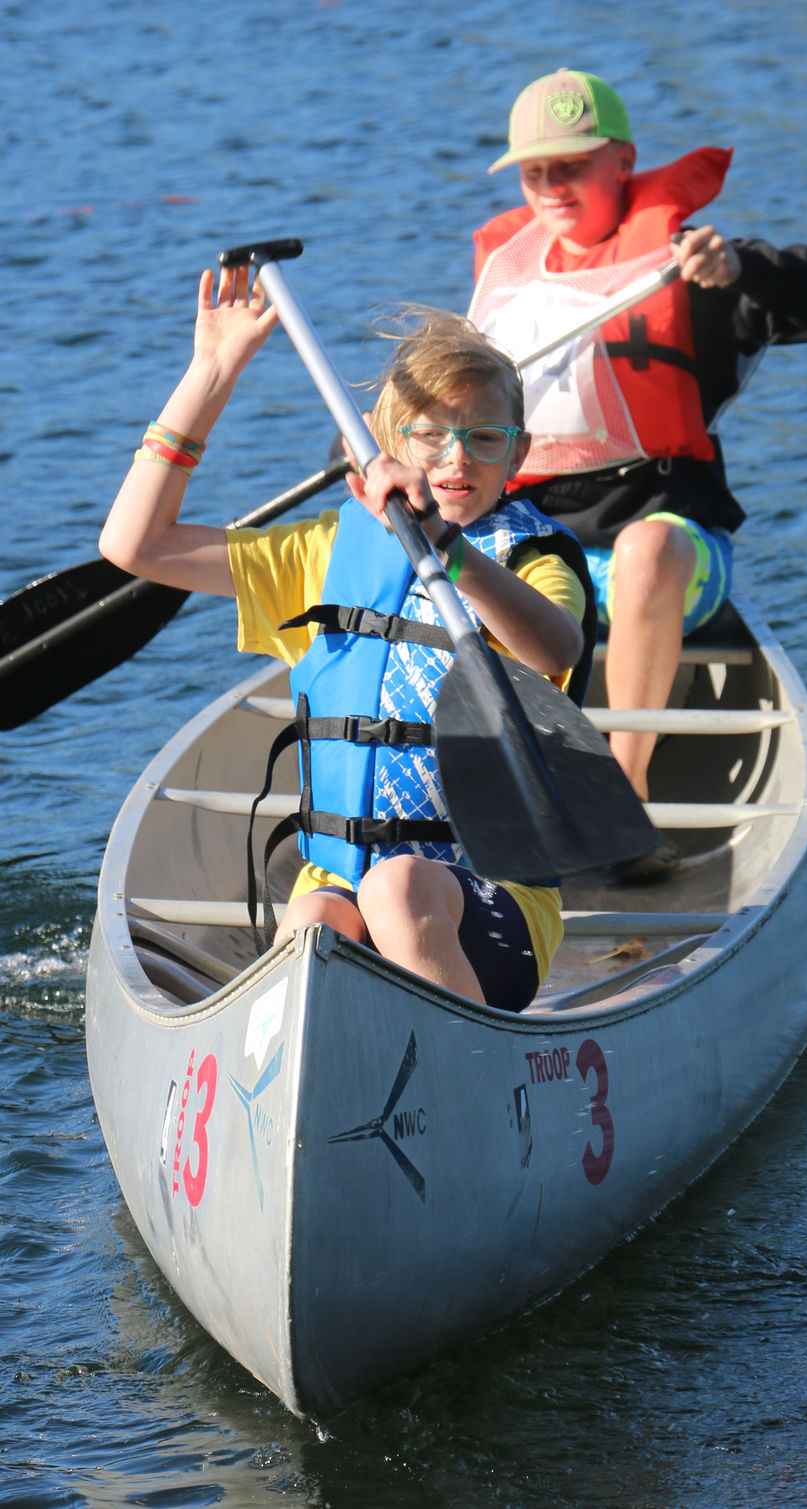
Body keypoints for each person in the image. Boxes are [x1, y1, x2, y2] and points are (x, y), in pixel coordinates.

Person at [99, 263, 592, 1012]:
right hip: (340, 883)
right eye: (431, 437)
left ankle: (463, 1066)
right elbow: (135, 544)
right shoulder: (326, 555)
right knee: (315, 922)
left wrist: (447, 552)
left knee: (397, 887)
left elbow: (555, 649)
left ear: (518, 455)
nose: (457, 458)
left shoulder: (532, 560)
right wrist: (213, 370)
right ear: (388, 449)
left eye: (485, 439)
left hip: (495, 902)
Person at [469, 68, 807, 850]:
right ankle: (483, 787)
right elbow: (440, 407)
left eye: (572, 165)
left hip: (671, 555)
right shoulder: (507, 280)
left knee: (646, 549)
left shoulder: (693, 266)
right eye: (534, 171)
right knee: (442, 556)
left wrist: (746, 271)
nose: (551, 187)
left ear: (623, 161)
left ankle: (623, 792)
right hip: (543, 555)